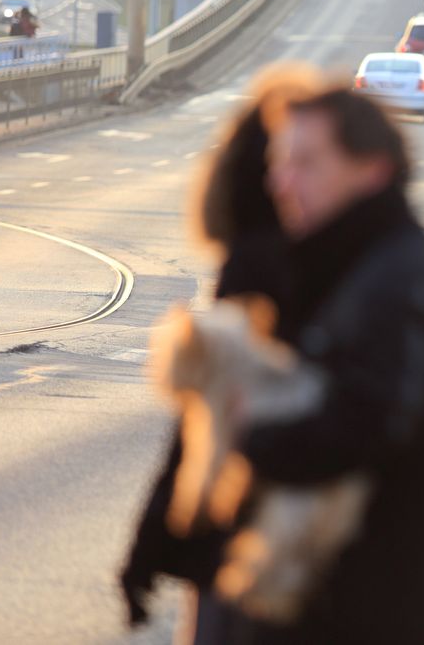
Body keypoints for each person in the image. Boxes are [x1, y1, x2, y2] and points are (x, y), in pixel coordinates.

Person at [228, 87, 424, 643]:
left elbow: (369, 420)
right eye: (280, 163)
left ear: (371, 171)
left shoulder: (390, 281)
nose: (281, 183)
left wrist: (252, 432)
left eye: (305, 163)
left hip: (370, 608)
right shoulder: (367, 262)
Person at [120, 64, 322, 642]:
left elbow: (201, 422)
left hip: (241, 533)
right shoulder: (333, 255)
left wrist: (148, 549)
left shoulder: (253, 265)